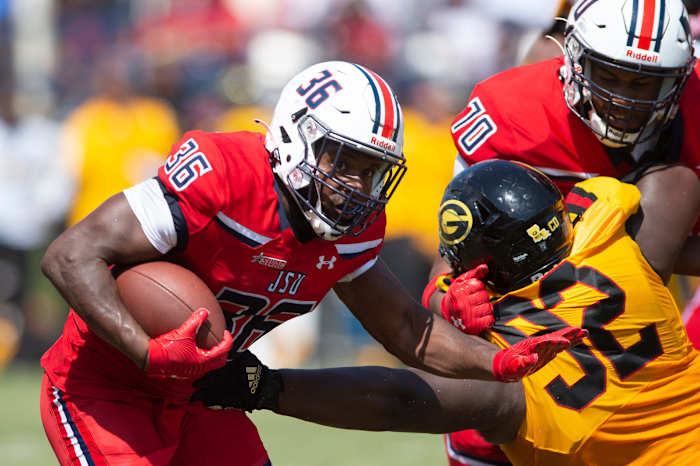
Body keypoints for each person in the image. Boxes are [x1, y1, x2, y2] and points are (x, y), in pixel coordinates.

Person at [38, 61, 580, 466]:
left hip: (201, 392)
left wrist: (498, 363)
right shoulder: (224, 174)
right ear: (296, 137)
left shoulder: (355, 229)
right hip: (104, 385)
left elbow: (407, 329)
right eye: (345, 162)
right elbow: (69, 255)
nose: (356, 187)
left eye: (372, 172)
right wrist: (145, 351)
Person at [192, 160, 700, 466]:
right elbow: (673, 181)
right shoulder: (605, 230)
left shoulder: (512, 373)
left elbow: (399, 399)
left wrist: (268, 386)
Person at [440, 1, 700, 461]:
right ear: (572, 59)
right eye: (610, 76)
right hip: (524, 315)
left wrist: (615, 246)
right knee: (483, 430)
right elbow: (449, 261)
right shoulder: (513, 113)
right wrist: (445, 296)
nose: (625, 98)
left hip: (643, 321)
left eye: (644, 82)